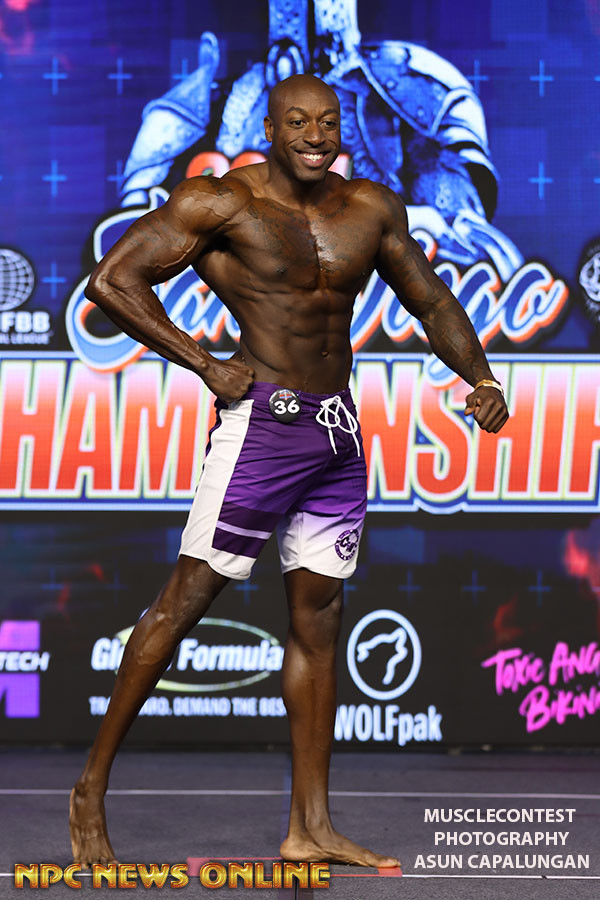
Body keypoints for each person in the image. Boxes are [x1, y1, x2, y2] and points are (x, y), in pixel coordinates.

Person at [69, 73, 509, 869]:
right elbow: (111, 280)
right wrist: (205, 363)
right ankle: (90, 789)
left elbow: (433, 301)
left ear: (342, 128)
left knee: (319, 622)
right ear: (269, 129)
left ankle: (310, 828)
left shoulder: (370, 207)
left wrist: (479, 377)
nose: (315, 136)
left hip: (337, 436)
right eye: (298, 122)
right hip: (262, 431)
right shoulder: (221, 203)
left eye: (328, 122)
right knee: (185, 602)